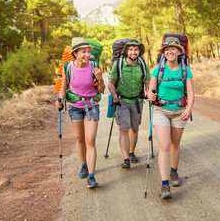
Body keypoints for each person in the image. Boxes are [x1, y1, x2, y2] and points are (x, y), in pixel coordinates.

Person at [147, 36, 195, 199]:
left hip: (179, 111)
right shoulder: (157, 69)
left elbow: (191, 92)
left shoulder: (185, 70)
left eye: (173, 49)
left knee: (175, 144)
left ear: (178, 52)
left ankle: (174, 171)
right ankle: (165, 184)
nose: (170, 51)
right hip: (161, 110)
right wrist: (150, 95)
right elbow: (150, 91)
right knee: (165, 146)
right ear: (164, 52)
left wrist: (188, 109)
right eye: (167, 49)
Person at [55, 37, 105, 189]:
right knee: (80, 138)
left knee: (90, 140)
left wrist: (100, 79)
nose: (87, 55)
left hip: (91, 106)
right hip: (75, 107)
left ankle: (91, 176)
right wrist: (60, 99)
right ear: (75, 53)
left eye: (88, 52)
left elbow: (101, 90)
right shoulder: (67, 67)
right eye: (83, 52)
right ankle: (83, 164)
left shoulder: (94, 67)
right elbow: (64, 86)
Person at [108, 40, 150, 169]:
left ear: (139, 51)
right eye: (130, 49)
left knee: (135, 128)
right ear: (126, 51)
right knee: (124, 128)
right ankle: (126, 158)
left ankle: (132, 152)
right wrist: (114, 95)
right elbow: (111, 82)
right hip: (122, 101)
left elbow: (147, 81)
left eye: (136, 49)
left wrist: (148, 91)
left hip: (137, 101)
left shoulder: (143, 64)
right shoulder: (118, 64)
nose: (133, 52)